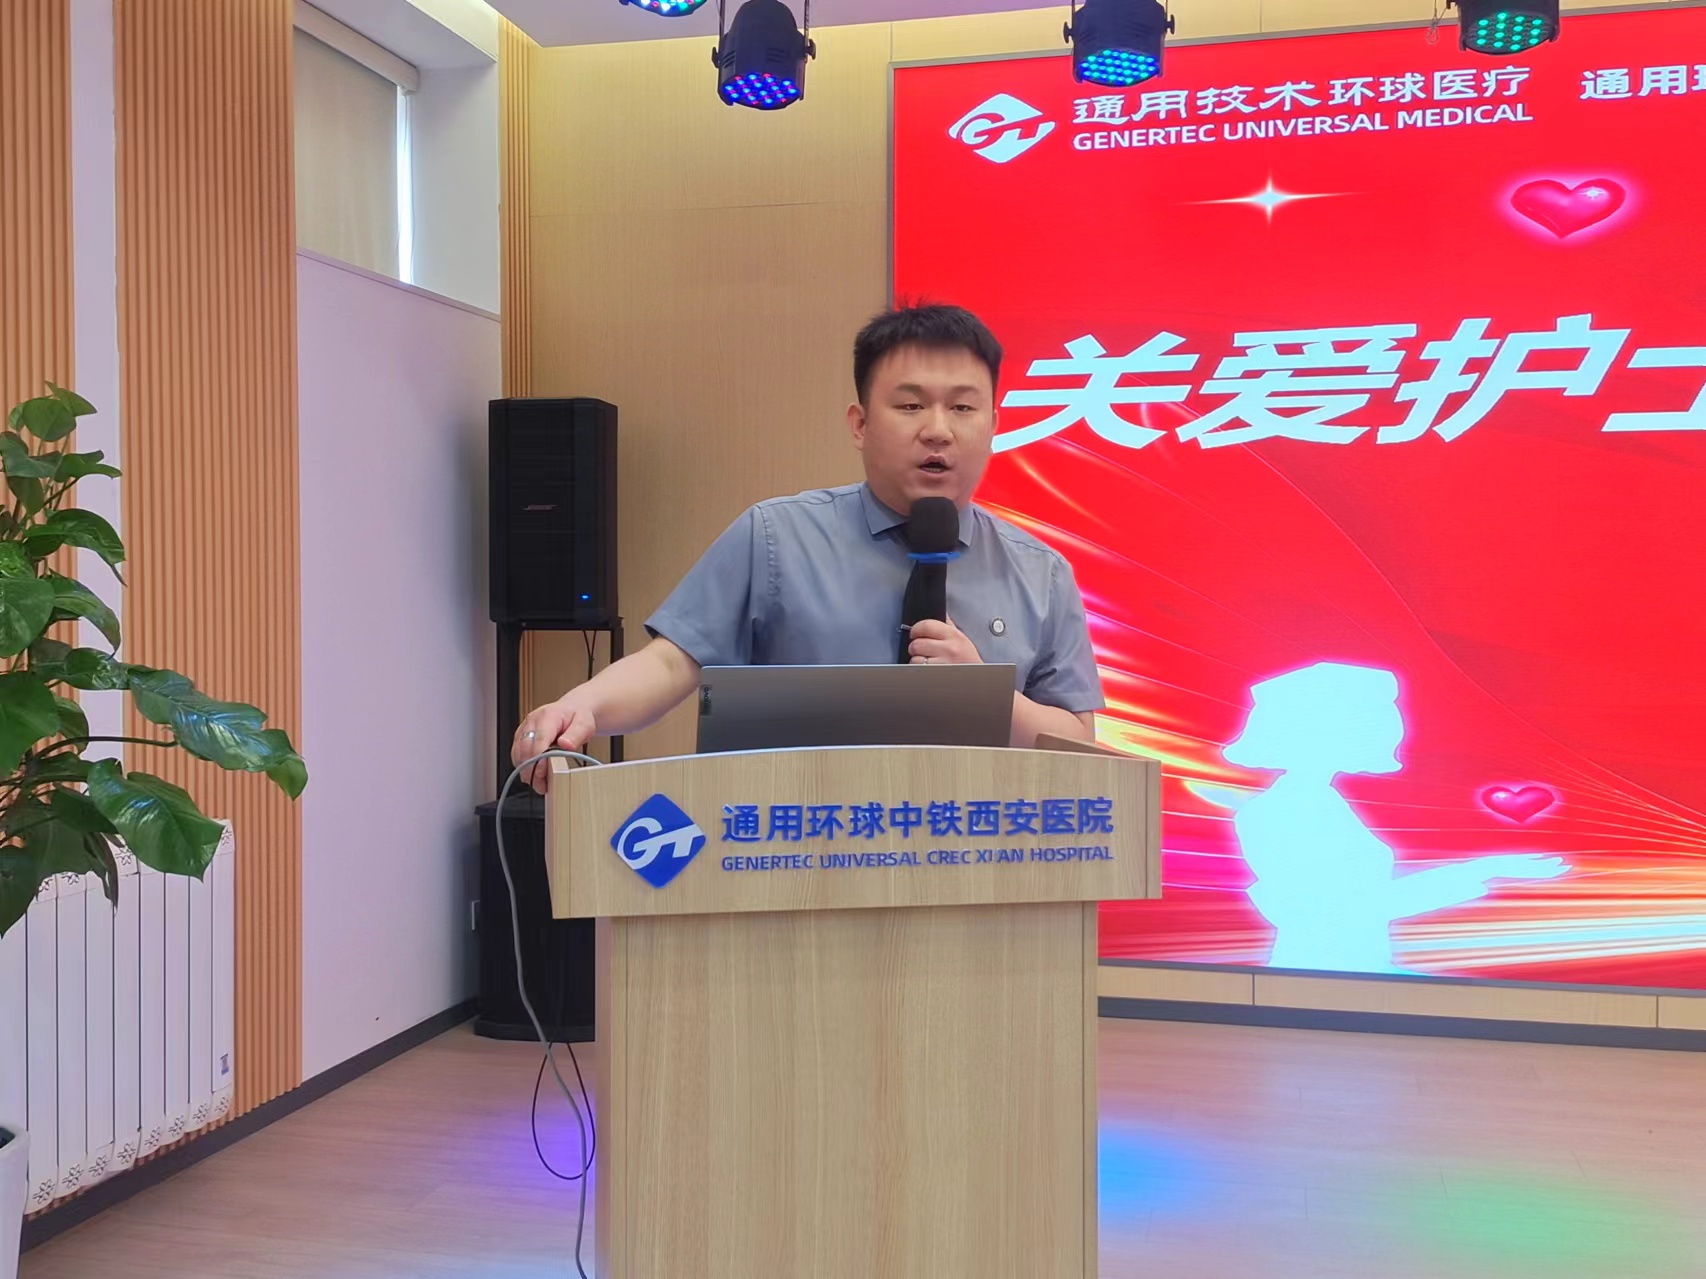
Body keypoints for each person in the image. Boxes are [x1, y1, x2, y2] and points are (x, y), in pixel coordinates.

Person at [511, 303, 1104, 792]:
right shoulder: (776, 538)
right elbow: (671, 662)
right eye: (910, 405)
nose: (938, 429)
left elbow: (1078, 743)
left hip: (980, 865)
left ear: (994, 425)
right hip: (798, 862)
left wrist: (985, 697)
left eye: (963, 407)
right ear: (859, 424)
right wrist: (581, 706)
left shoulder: (1041, 573)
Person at [1223, 661, 1567, 974]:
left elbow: (1355, 904)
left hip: (1347, 973)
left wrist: (1486, 868)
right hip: (1322, 975)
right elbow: (1343, 912)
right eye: (1367, 718)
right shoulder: (1285, 810)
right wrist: (1482, 870)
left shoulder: (1317, 801)